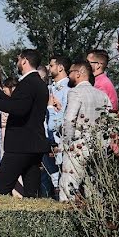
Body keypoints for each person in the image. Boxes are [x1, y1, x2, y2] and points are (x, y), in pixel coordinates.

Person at [0, 49, 49, 198]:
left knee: (1, 186)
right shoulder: (39, 84)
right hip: (34, 144)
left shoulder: (27, 83)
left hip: (21, 144)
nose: (17, 63)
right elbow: (20, 104)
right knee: (32, 192)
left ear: (24, 61)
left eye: (18, 59)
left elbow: (19, 109)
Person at [60, 61, 111, 200]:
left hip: (78, 145)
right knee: (95, 189)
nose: (68, 74)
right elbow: (109, 121)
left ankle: (65, 217)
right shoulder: (102, 95)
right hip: (98, 146)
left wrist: (67, 143)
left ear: (79, 73)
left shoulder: (75, 92)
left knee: (68, 186)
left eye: (70, 71)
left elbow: (69, 119)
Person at [42, 56, 71, 198]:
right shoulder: (50, 87)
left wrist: (51, 108)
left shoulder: (67, 88)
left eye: (51, 65)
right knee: (48, 174)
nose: (48, 68)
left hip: (59, 139)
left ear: (60, 67)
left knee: (59, 176)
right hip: (47, 137)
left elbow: (64, 115)